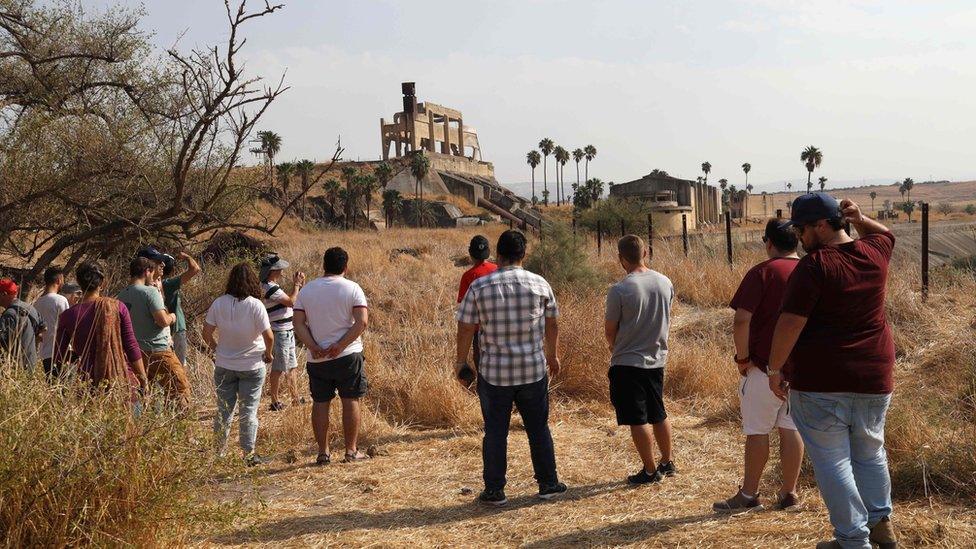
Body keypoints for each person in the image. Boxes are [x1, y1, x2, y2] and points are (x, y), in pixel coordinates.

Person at [766, 194, 898, 549]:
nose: (799, 237)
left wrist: (775, 369)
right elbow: (886, 233)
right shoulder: (874, 253)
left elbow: (790, 322)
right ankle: (880, 525)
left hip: (822, 379)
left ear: (821, 226)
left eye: (803, 229)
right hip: (873, 375)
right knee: (871, 452)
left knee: (832, 461)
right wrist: (860, 218)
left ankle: (854, 540)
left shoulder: (814, 266)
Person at [456, 230, 566, 505]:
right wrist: (552, 356)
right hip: (532, 370)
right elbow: (552, 324)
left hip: (494, 374)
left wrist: (461, 362)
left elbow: (466, 327)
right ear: (523, 254)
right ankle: (548, 483)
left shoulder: (479, 287)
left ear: (499, 254)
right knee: (538, 428)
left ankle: (494, 490)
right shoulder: (540, 284)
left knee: (495, 432)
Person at [713, 219, 805, 513]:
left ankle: (749, 494)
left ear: (769, 243)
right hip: (802, 368)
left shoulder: (762, 272)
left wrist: (742, 358)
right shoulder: (809, 270)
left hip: (764, 366)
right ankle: (789, 492)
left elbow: (742, 319)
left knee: (757, 431)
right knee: (791, 428)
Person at [604, 235, 676, 485]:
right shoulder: (665, 282)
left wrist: (615, 346)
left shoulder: (620, 290)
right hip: (657, 359)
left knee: (638, 418)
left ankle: (649, 470)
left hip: (628, 362)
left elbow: (610, 329)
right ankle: (667, 462)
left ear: (621, 259)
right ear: (645, 253)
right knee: (658, 412)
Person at [293, 247, 370, 465]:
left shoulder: (307, 291)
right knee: (350, 400)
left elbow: (297, 323)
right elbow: (361, 322)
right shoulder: (353, 288)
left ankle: (323, 452)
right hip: (347, 354)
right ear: (346, 267)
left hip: (317, 358)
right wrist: (340, 344)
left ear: (323, 265)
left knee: (320, 402)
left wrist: (313, 345)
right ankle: (350, 451)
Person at [203, 262, 274, 467]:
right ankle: (248, 453)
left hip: (224, 364)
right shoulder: (255, 305)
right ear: (252, 281)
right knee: (248, 410)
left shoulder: (219, 303)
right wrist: (268, 354)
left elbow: (206, 333)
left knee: (224, 410)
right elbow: (268, 336)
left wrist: (216, 350)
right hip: (251, 365)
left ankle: (219, 452)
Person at [53, 262, 148, 393]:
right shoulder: (117, 307)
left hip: (88, 387)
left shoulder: (68, 316)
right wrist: (143, 381)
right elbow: (131, 347)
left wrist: (79, 354)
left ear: (80, 283)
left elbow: (59, 356)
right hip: (122, 384)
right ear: (102, 283)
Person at [117, 256, 191, 405]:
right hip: (158, 349)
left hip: (136, 353)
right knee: (180, 388)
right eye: (152, 272)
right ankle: (178, 424)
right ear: (147, 271)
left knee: (145, 390)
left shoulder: (121, 295)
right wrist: (172, 317)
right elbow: (162, 321)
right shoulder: (149, 292)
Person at [259, 253, 306, 411]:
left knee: (291, 366)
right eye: (279, 269)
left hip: (286, 331)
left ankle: (294, 397)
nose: (282, 272)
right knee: (278, 368)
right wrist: (297, 285)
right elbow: (292, 302)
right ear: (272, 271)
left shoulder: (270, 286)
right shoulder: (270, 288)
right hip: (280, 332)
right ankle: (274, 401)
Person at [457, 235, 497, 369]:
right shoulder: (498, 270)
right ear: (488, 252)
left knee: (482, 366)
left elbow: (464, 308)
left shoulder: (468, 276)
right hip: (501, 326)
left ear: (470, 253)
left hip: (480, 329)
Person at [161, 251, 201, 366]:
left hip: (161, 330)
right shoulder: (169, 284)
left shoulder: (151, 285)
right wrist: (187, 257)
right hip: (177, 328)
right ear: (173, 270)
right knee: (179, 365)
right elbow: (195, 269)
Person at [33, 267, 71, 380]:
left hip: (45, 354)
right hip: (61, 352)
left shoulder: (37, 303)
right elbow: (68, 325)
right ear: (59, 280)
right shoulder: (61, 300)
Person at [0, 278, 43, 369]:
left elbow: (2, 340)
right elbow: (43, 328)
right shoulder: (30, 308)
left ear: (4, 294)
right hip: (32, 362)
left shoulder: (9, 315)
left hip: (16, 366)